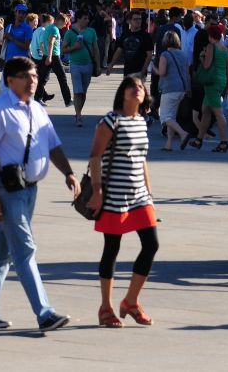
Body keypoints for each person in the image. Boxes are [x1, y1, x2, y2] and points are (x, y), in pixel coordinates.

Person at [0, 56, 81, 332]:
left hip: (30, 189)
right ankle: (44, 313)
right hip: (6, 191)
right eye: (26, 76)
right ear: (10, 80)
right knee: (24, 249)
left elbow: (53, 144)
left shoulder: (38, 109)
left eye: (35, 76)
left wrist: (68, 173)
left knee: (2, 251)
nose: (33, 81)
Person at [84, 76, 158, 328]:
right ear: (122, 93)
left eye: (140, 86)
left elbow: (143, 159)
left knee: (151, 244)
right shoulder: (110, 120)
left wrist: (149, 193)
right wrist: (97, 191)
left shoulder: (141, 121)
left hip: (139, 195)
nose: (137, 89)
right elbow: (95, 156)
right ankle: (105, 307)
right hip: (114, 195)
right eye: (131, 86)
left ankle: (131, 301)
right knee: (112, 248)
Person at [189, 24, 228, 153]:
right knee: (205, 111)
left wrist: (202, 57)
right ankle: (198, 140)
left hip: (212, 82)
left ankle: (224, 142)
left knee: (218, 113)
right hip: (221, 80)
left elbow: (206, 66)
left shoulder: (211, 47)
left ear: (210, 35)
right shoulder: (225, 49)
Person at [154, 30, 192, 151]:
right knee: (172, 117)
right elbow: (187, 73)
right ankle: (169, 144)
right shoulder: (183, 54)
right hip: (182, 89)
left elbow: (162, 72)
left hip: (169, 89)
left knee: (165, 117)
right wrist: (188, 88)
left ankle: (183, 133)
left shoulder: (165, 55)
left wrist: (154, 68)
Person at [62, 9, 100, 127]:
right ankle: (78, 115)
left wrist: (98, 66)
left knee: (83, 92)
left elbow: (96, 49)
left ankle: (78, 112)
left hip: (88, 64)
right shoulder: (70, 32)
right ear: (78, 19)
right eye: (85, 18)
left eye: (88, 19)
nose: (87, 21)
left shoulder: (91, 31)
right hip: (75, 65)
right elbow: (63, 49)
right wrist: (75, 47)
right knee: (78, 91)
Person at [31, 13, 71, 108]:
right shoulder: (54, 29)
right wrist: (49, 56)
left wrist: (45, 55)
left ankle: (37, 98)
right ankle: (68, 100)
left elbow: (44, 43)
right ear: (59, 20)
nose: (65, 25)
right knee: (62, 78)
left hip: (47, 55)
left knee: (43, 78)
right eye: (65, 22)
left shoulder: (49, 28)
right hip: (53, 56)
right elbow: (51, 42)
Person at [106, 10, 154, 80]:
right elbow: (119, 50)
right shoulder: (125, 34)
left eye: (140, 19)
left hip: (139, 71)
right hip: (127, 71)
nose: (138, 21)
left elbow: (149, 55)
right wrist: (111, 65)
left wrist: (143, 71)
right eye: (135, 19)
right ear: (129, 21)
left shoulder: (146, 36)